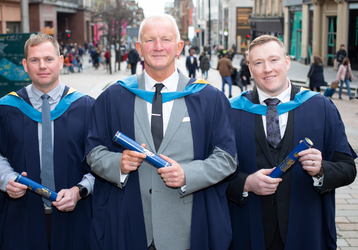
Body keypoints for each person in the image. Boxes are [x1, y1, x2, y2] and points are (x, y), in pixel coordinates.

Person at [86, 14, 237, 250]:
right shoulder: (113, 97)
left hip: (188, 228)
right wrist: (119, 163)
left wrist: (188, 174)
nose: (158, 47)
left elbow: (227, 158)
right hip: (128, 223)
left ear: (179, 48)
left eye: (166, 40)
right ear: (138, 48)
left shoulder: (209, 98)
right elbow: (93, 152)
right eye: (150, 40)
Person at [227, 35, 357, 250]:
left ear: (287, 62)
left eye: (274, 60)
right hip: (248, 232)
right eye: (258, 63)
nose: (267, 69)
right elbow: (214, 173)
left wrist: (321, 170)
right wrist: (245, 183)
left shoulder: (321, 107)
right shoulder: (230, 111)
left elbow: (347, 168)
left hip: (305, 230)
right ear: (250, 69)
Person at [0, 34, 95, 250]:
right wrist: (7, 179)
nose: (42, 66)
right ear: (25, 65)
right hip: (22, 216)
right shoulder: (6, 109)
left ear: (61, 61)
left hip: (77, 217)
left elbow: (100, 162)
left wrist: (80, 190)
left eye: (49, 59)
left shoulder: (87, 107)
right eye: (34, 60)